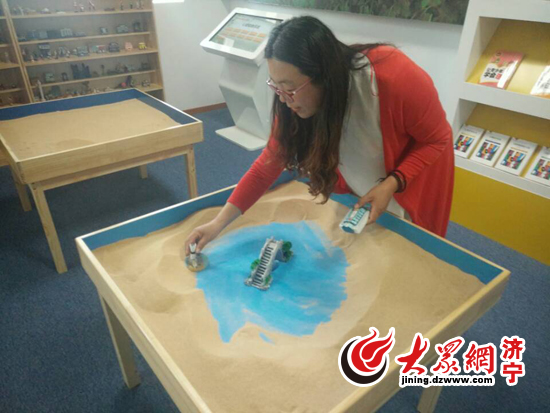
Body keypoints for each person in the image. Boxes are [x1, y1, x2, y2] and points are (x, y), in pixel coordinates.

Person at [185, 16, 454, 256]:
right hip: (365, 184)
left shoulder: (393, 76)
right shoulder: (290, 100)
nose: (283, 99)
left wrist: (392, 183)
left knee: (415, 255)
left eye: (289, 88)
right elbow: (266, 166)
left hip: (410, 183)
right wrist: (217, 223)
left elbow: (438, 139)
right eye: (275, 86)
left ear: (323, 76)